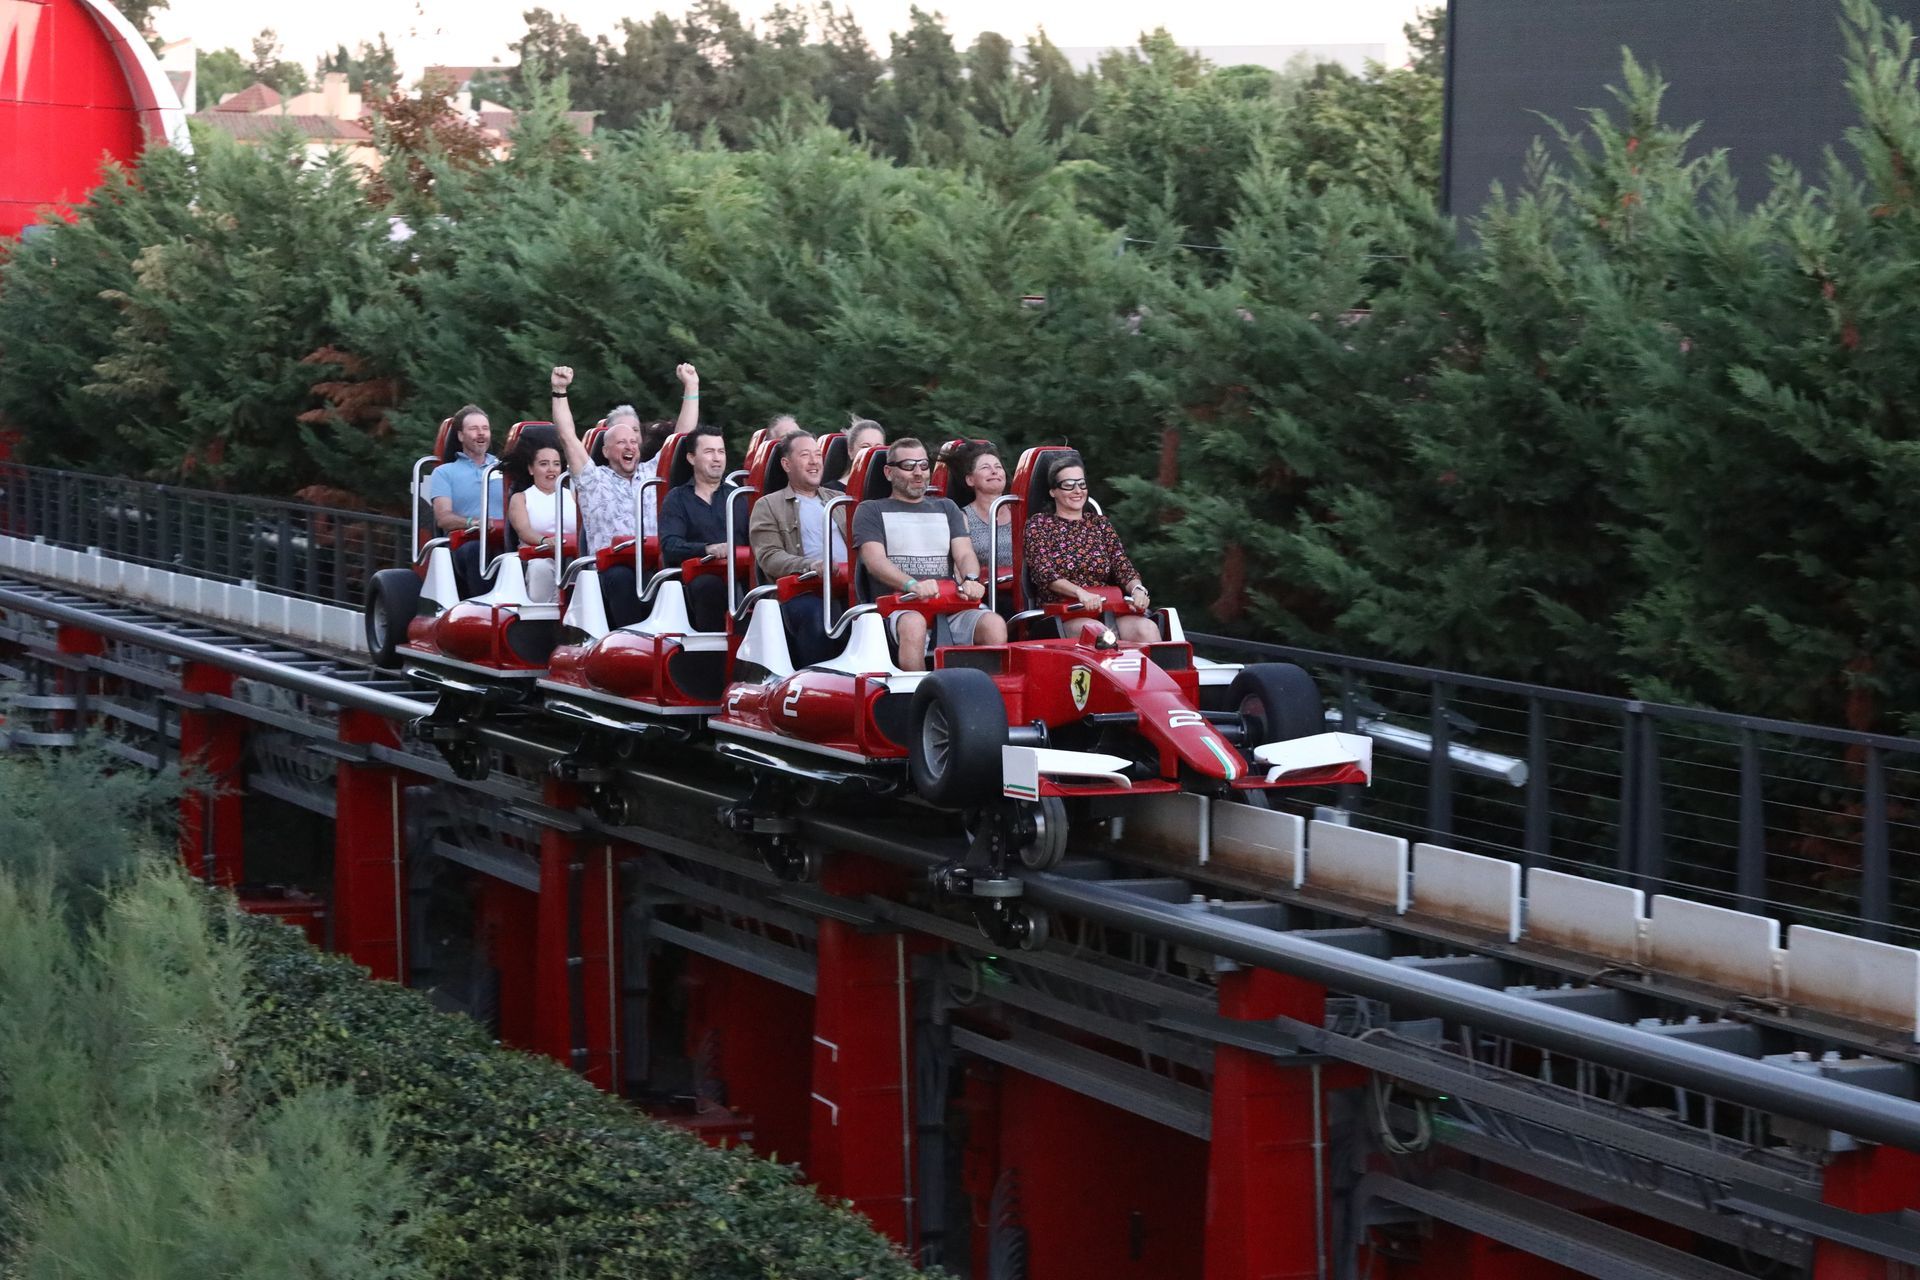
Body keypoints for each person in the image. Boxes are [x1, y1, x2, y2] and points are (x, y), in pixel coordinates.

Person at [551, 363, 699, 628]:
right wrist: (559, 391)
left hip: (654, 563)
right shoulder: (593, 479)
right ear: (606, 451)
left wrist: (691, 387)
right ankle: (629, 638)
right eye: (621, 443)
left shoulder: (653, 473)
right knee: (622, 578)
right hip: (614, 568)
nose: (629, 446)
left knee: (683, 575)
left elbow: (682, 439)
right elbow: (567, 436)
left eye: (633, 442)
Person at [852, 438, 1006, 671]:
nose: (918, 473)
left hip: (946, 603)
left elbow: (964, 554)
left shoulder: (946, 507)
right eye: (908, 466)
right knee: (914, 623)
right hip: (899, 605)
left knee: (993, 624)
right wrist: (911, 584)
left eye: (924, 466)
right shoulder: (871, 510)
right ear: (888, 472)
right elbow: (875, 562)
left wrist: (971, 579)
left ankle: (985, 695)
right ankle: (917, 696)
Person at [1024, 451, 1158, 643]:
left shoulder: (1099, 524)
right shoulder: (1040, 524)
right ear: (1053, 491)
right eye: (1068, 485)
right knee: (1099, 634)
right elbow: (1045, 573)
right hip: (1063, 612)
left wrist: (1138, 589)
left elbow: (1122, 566)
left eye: (1081, 484)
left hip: (1105, 609)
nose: (1077, 491)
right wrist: (1080, 593)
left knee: (1147, 629)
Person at [748, 432, 849, 666]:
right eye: (805, 455)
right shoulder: (767, 505)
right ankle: (817, 680)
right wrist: (810, 566)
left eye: (817, 455)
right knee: (817, 614)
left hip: (849, 586)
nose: (814, 461)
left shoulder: (841, 500)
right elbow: (770, 557)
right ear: (786, 464)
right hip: (804, 590)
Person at [659, 423, 749, 633]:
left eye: (721, 451)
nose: (717, 458)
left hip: (740, 574)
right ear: (691, 458)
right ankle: (712, 655)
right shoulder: (677, 499)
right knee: (709, 586)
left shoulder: (739, 498)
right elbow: (670, 545)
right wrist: (707, 549)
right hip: (701, 577)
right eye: (709, 452)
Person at [426, 404, 503, 599]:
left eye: (485, 429)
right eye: (474, 429)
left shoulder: (503, 469)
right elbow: (443, 518)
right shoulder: (444, 473)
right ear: (460, 436)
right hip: (470, 542)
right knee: (478, 551)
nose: (481, 434)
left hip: (506, 538)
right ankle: (484, 607)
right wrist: (473, 522)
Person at [940, 440, 1015, 615]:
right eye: (985, 468)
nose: (994, 471)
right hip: (984, 595)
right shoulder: (962, 516)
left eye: (998, 467)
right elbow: (959, 563)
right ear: (970, 479)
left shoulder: (1020, 512)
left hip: (1021, 592)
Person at [505, 436, 578, 602]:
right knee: (541, 568)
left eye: (556, 464)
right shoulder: (521, 498)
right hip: (538, 556)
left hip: (572, 558)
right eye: (544, 464)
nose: (551, 469)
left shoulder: (573, 496)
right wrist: (544, 540)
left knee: (586, 571)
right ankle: (542, 620)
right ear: (531, 469)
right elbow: (524, 531)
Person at [834, 417, 886, 490]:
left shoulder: (891, 490)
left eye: (878, 448)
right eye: (865, 447)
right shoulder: (831, 493)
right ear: (850, 451)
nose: (872, 453)